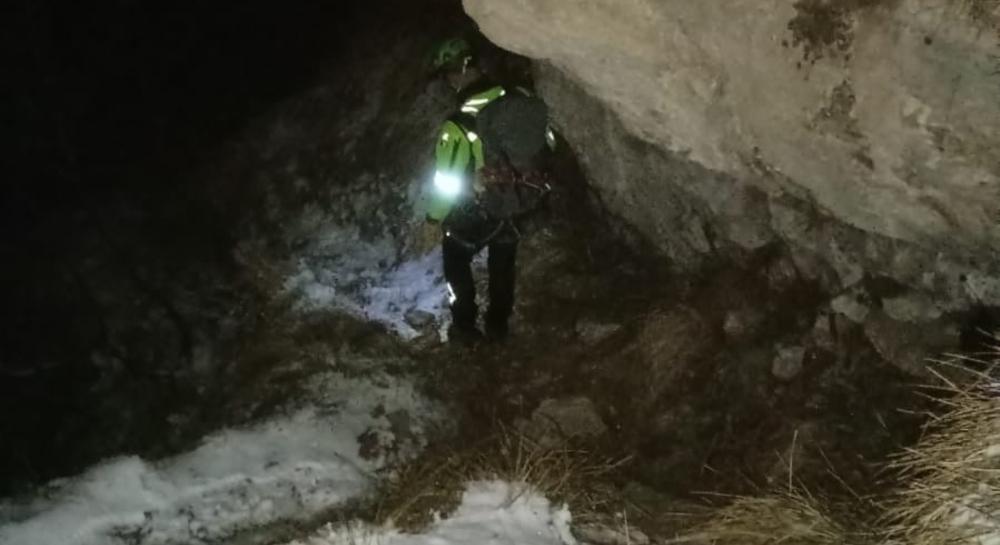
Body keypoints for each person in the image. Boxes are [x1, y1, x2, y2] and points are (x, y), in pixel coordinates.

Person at [423, 37, 554, 344]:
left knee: (455, 257)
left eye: (447, 74)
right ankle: (498, 327)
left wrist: (433, 219)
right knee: (502, 264)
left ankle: (465, 329)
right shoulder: (516, 98)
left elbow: (447, 182)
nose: (448, 80)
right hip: (520, 201)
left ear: (455, 74)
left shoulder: (457, 126)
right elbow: (547, 144)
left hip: (481, 209)